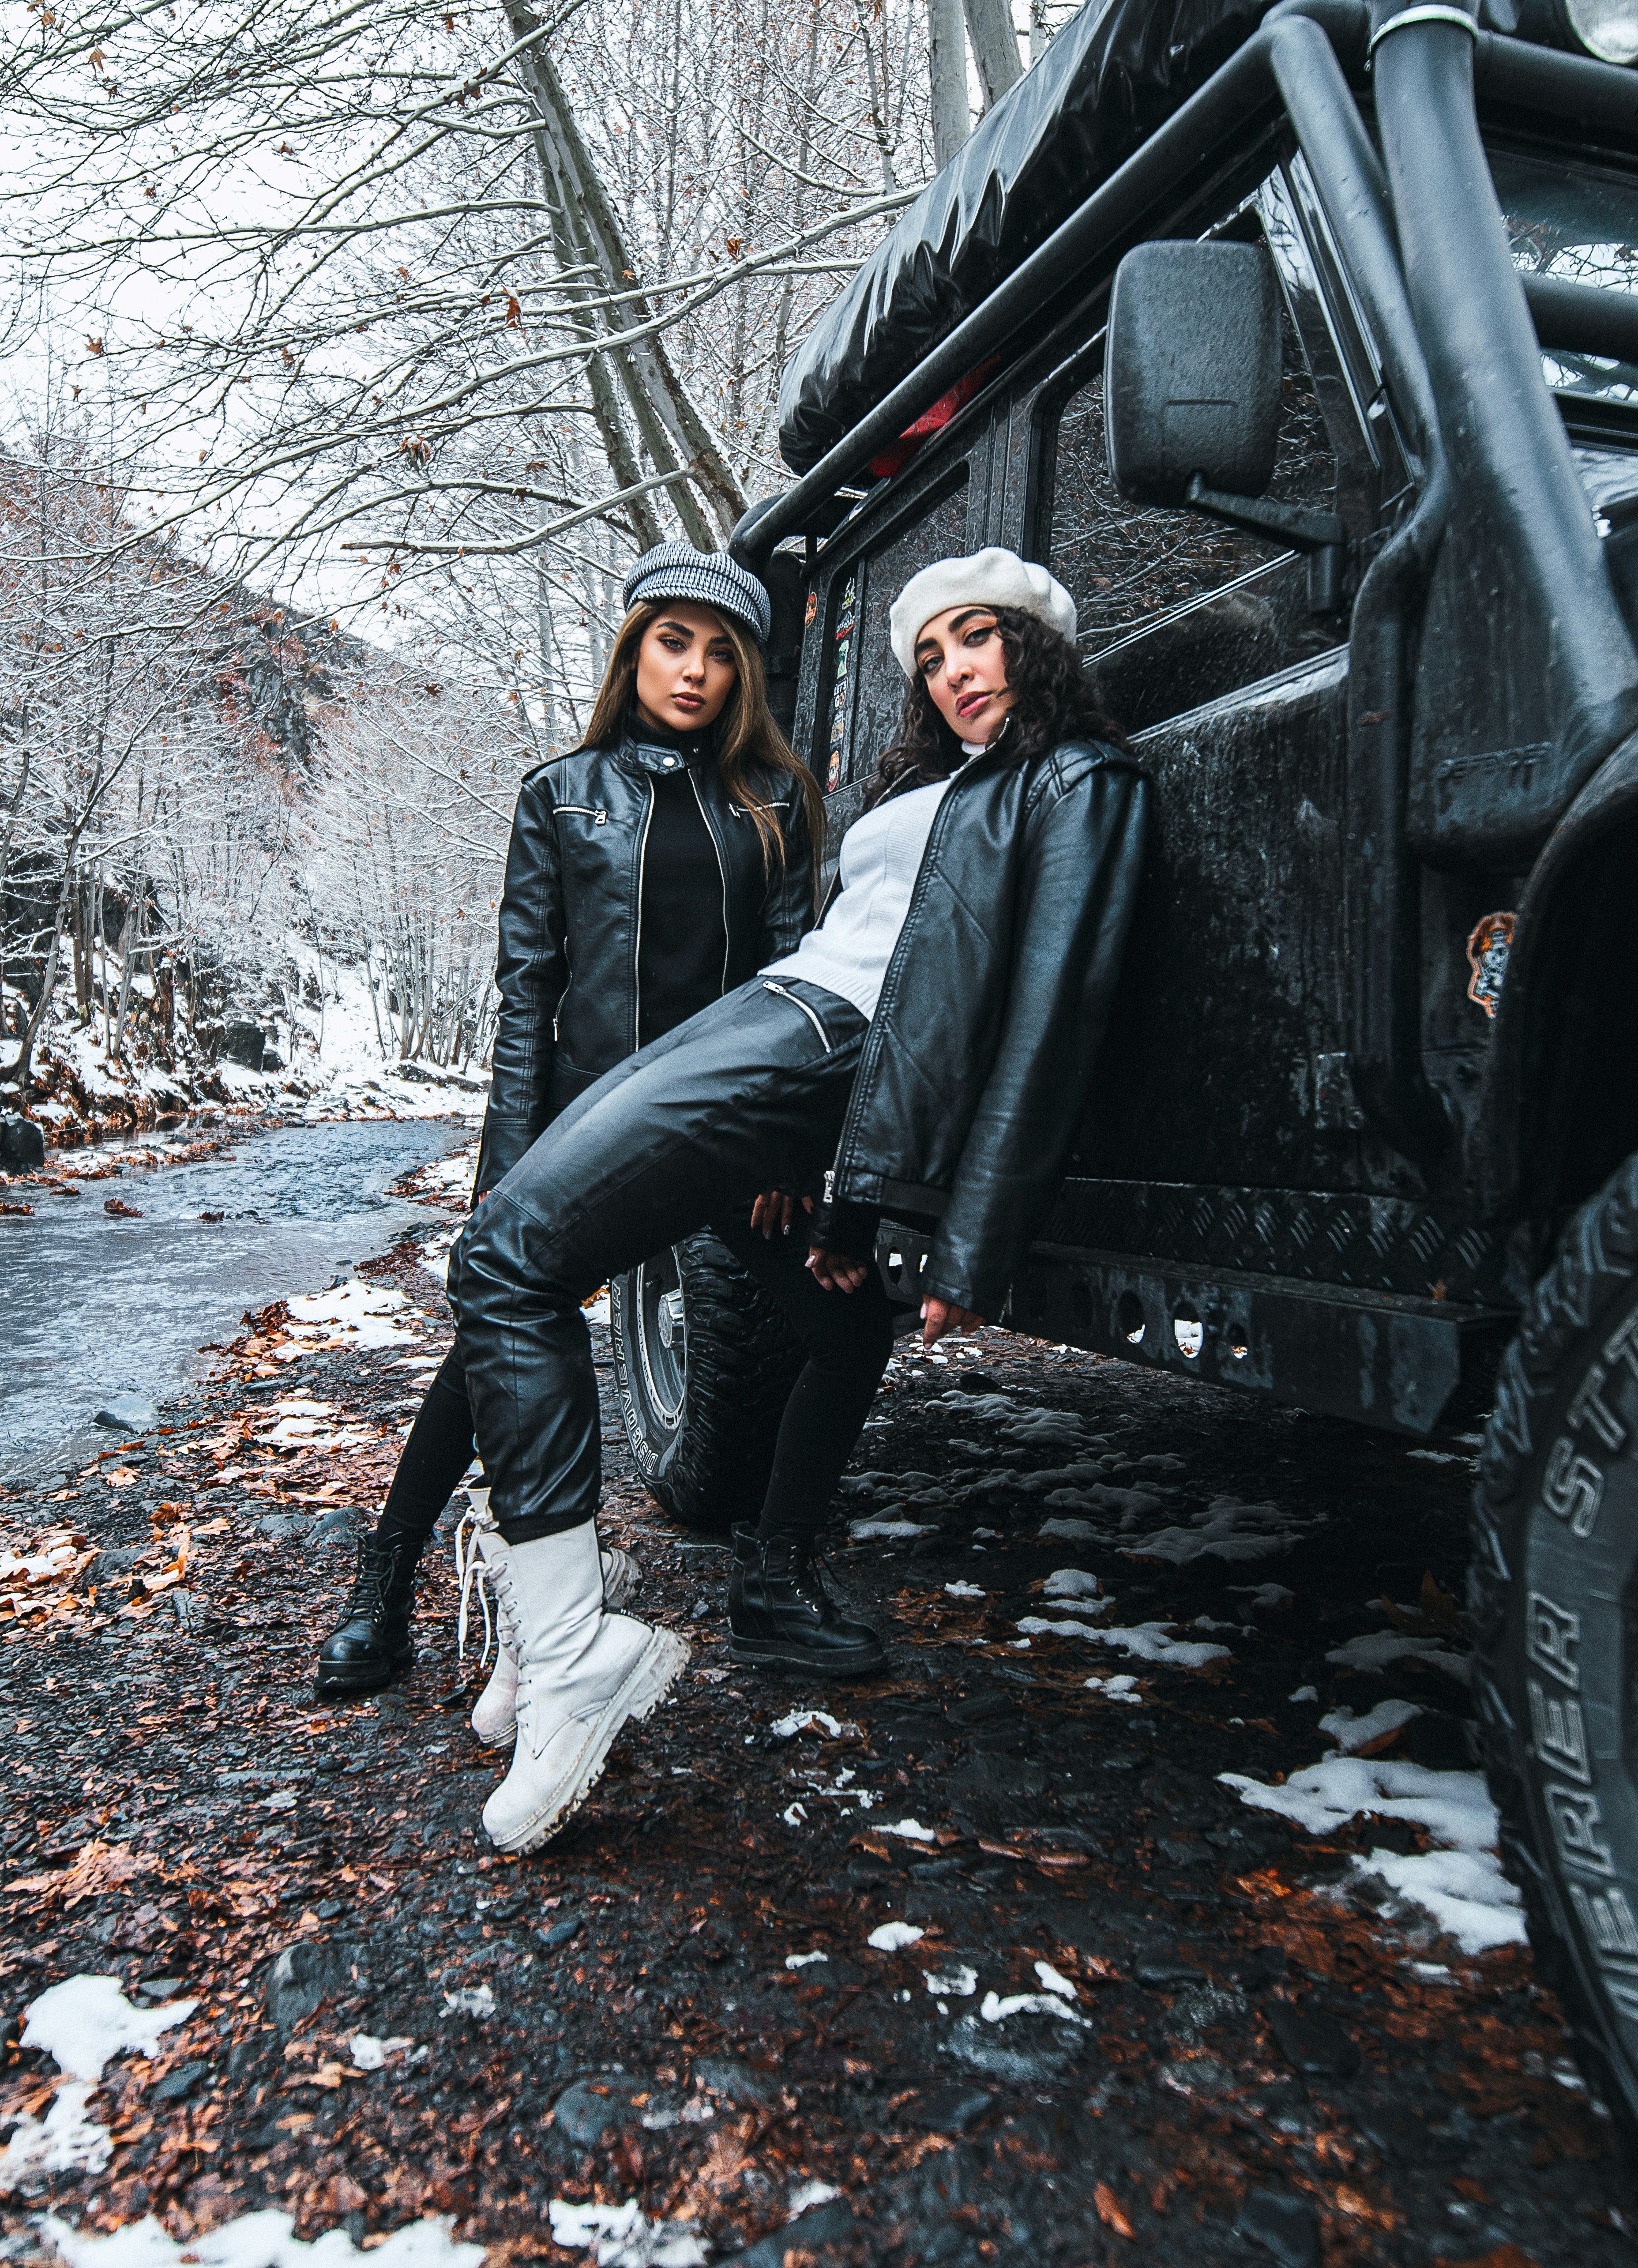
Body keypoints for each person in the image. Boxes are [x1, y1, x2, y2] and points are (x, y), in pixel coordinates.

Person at [447, 544, 1150, 1855]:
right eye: (930, 658)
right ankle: (701, 1601)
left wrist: (966, 1231)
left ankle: (568, 1646)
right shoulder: (951, 782)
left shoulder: (1076, 779)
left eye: (979, 639)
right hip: (785, 1027)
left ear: (1040, 645)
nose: (952, 674)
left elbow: (1048, 1016)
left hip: (819, 1037)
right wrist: (844, 1199)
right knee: (788, 1313)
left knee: (503, 1264)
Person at [313, 543, 821, 1710]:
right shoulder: (561, 793)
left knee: (842, 1322)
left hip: (734, 1130)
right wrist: (505, 1172)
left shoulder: (777, 798)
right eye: (671, 641)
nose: (693, 670)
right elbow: (528, 991)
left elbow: (800, 982)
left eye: (718, 651)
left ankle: (780, 1575)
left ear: (745, 669)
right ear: (633, 648)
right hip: (588, 1127)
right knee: (489, 1342)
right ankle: (383, 1579)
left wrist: (794, 1144)